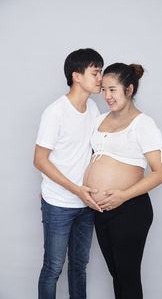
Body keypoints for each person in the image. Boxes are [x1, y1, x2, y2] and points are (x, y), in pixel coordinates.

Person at [83, 62, 162, 299]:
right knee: (117, 275)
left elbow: (161, 172)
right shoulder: (99, 120)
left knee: (128, 277)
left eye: (113, 90)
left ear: (129, 90)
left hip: (129, 209)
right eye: (104, 90)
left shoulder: (143, 124)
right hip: (101, 210)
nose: (107, 96)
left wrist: (122, 196)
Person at [33, 48, 104, 299]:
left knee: (79, 267)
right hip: (59, 203)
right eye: (95, 72)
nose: (100, 78)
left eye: (101, 72)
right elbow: (39, 160)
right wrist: (77, 190)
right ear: (76, 76)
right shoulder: (55, 112)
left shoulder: (94, 108)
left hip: (87, 204)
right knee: (53, 268)